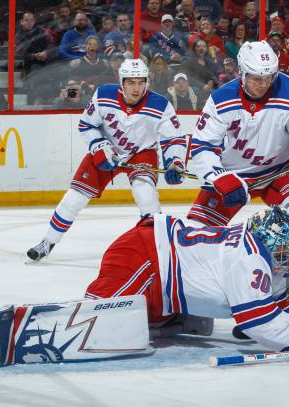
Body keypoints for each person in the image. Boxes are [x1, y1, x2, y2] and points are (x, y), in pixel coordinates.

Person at [0, 207, 289, 367]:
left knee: (173, 327)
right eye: (285, 251)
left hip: (163, 275)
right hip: (144, 257)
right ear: (269, 243)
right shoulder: (247, 261)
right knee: (93, 323)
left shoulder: (259, 251)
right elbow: (262, 324)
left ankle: (161, 318)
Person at [26, 59, 187, 261]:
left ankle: (159, 249)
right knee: (73, 198)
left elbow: (174, 138)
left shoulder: (160, 104)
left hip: (141, 152)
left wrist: (175, 162)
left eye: (140, 82)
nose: (136, 88)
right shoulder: (104, 95)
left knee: (145, 194)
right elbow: (86, 125)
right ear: (122, 82)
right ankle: (47, 242)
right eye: (131, 82)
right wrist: (99, 146)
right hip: (106, 150)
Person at [185, 40, 289, 243]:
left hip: (282, 170)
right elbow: (202, 147)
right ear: (242, 73)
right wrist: (218, 177)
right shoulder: (220, 100)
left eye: (268, 77)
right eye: (256, 78)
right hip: (235, 175)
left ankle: (288, 271)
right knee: (196, 233)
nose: (263, 84)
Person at [15, 12, 54, 76]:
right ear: (21, 21)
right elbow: (22, 53)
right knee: (36, 69)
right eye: (26, 20)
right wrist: (35, 56)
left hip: (46, 58)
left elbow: (51, 44)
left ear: (34, 21)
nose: (29, 22)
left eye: (31, 20)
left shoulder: (43, 31)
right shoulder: (18, 36)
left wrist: (45, 52)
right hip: (31, 62)